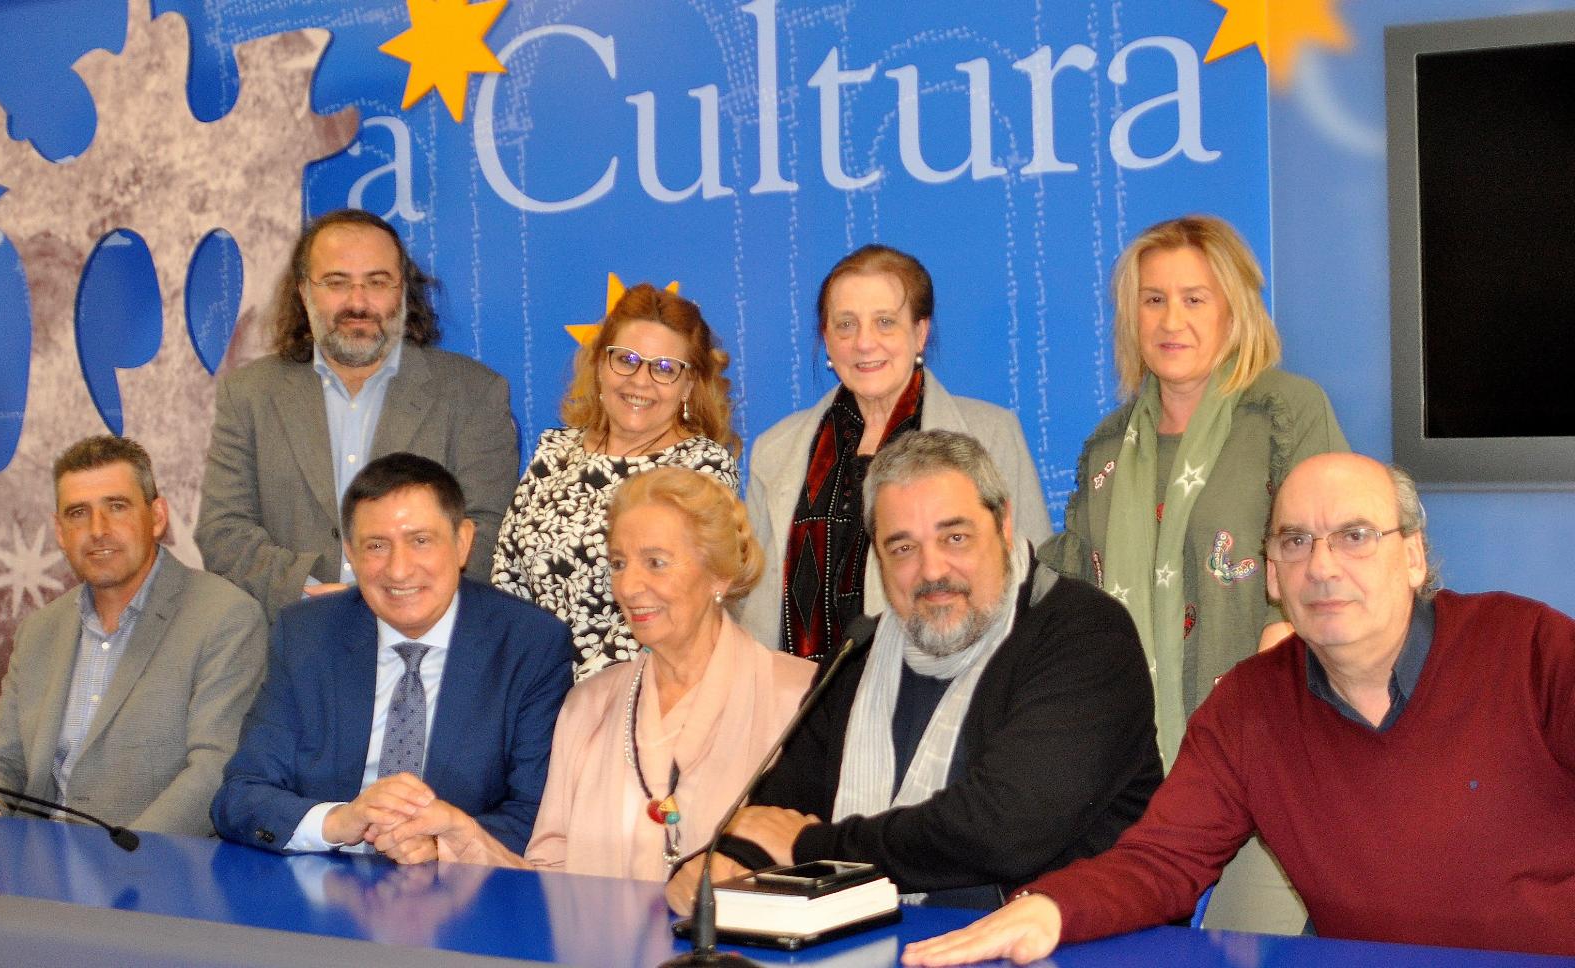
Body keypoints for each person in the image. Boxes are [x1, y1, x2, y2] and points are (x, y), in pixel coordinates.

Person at [902, 453, 1575, 964]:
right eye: (1294, 542)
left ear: (1413, 556)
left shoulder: (1530, 649)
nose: (1323, 566)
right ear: (1273, 577)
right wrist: (1052, 908)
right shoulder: (1250, 705)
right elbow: (1164, 860)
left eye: (1356, 536)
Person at [672, 430, 1161, 912]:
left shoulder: (1083, 633)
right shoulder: (860, 652)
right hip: (879, 944)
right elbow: (780, 805)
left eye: (955, 537)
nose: (932, 570)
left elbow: (1002, 830)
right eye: (903, 548)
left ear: (1005, 525)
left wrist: (813, 848)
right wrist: (722, 860)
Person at [1041, 215, 1345, 929]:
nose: (1170, 320)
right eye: (1153, 300)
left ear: (1233, 309)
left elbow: (1333, 552)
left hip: (1267, 759)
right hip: (1126, 774)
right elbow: (1071, 580)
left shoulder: (1285, 413)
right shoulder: (1107, 446)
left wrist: (1287, 638)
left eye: (1194, 299)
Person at [376, 467, 814, 879]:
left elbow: (819, 873)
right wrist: (458, 836)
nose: (628, 585)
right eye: (620, 563)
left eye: (656, 562)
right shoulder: (588, 705)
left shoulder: (799, 699)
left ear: (719, 573)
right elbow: (548, 884)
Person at [210, 453, 571, 861]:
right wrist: (339, 821)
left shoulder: (530, 644)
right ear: (351, 552)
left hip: (461, 896)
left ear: (463, 542)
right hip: (324, 886)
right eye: (377, 546)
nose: (399, 571)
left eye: (420, 541)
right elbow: (240, 797)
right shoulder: (307, 635)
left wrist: (440, 843)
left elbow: (537, 815)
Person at [197, 209, 515, 622]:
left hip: (427, 646)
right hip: (291, 642)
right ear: (303, 292)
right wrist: (309, 594)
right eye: (336, 282)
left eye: (377, 282)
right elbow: (222, 531)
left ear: (403, 292)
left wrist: (400, 599)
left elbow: (488, 534)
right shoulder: (249, 394)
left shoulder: (474, 394)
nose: (357, 302)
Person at [740, 244, 1051, 662]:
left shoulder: (990, 436)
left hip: (944, 697)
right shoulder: (774, 452)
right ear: (826, 339)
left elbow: (1033, 588)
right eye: (845, 325)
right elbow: (751, 605)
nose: (864, 343)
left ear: (919, 332)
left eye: (884, 322)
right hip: (798, 707)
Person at [0, 435, 266, 836]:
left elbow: (214, 770)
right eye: (78, 513)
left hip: (151, 874)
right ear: (60, 532)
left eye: (116, 506)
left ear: (157, 517)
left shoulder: (225, 618)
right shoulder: (40, 630)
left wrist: (120, 860)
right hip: (30, 870)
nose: (98, 530)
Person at [492, 283, 739, 680]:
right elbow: (507, 580)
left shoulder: (701, 469)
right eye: (626, 359)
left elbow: (677, 600)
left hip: (635, 694)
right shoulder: (554, 452)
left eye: (664, 368)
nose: (641, 381)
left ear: (689, 386)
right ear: (600, 366)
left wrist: (577, 697)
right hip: (531, 691)